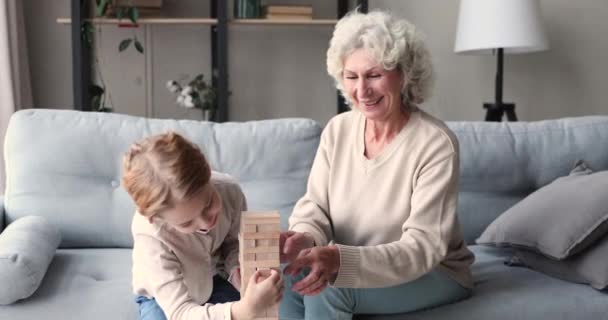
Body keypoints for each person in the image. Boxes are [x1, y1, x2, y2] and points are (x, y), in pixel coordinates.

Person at [279, 10, 475, 319]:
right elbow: (316, 205)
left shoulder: (435, 144)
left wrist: (338, 261)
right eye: (351, 76)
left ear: (404, 74)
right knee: (288, 272)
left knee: (327, 286)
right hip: (358, 263)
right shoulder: (338, 129)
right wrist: (303, 238)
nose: (362, 91)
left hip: (434, 271)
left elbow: (422, 247)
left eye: (374, 75)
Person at [122, 132, 283, 320]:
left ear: (208, 171)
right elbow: (180, 312)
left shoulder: (230, 192)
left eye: (208, 204)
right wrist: (242, 310)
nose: (206, 222)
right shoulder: (150, 236)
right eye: (186, 222)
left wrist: (237, 271)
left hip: (214, 279)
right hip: (164, 300)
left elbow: (233, 243)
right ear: (154, 218)